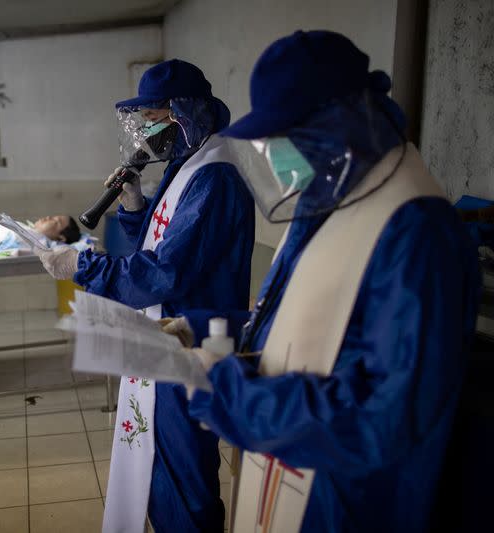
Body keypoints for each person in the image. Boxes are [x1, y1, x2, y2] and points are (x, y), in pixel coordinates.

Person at [174, 31, 481, 532]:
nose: (276, 158)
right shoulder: (334, 202)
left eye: (286, 138)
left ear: (340, 125)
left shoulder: (417, 233)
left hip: (346, 504)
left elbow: (386, 421)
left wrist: (233, 397)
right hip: (304, 474)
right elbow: (294, 325)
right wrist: (200, 325)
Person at [38, 59, 255, 532]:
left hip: (192, 341)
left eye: (154, 118)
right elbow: (159, 243)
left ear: (185, 113)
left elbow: (165, 274)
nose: (146, 132)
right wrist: (135, 205)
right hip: (168, 336)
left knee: (186, 475)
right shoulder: (185, 166)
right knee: (158, 465)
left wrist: (84, 266)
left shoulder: (214, 177)